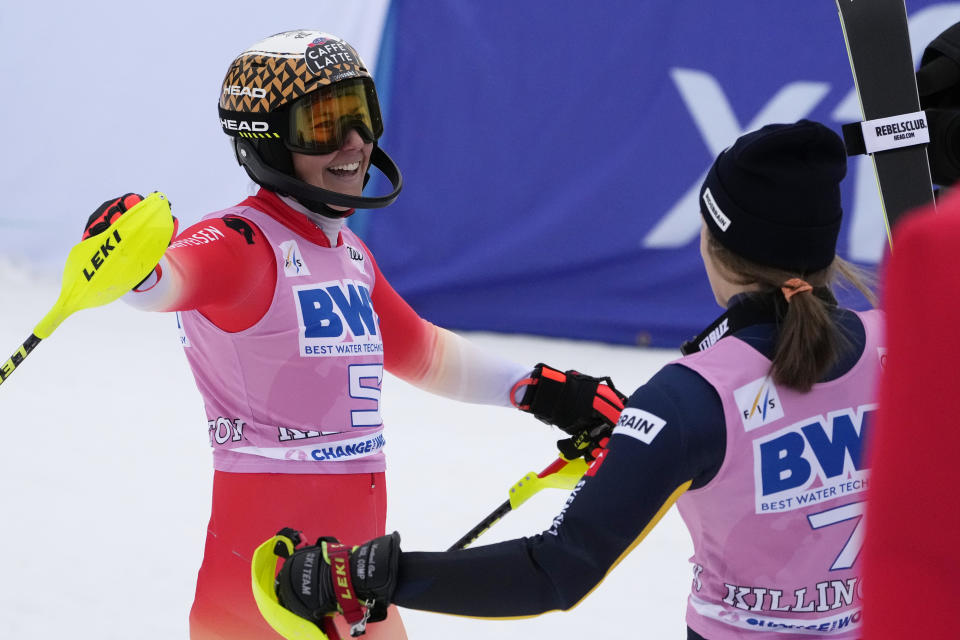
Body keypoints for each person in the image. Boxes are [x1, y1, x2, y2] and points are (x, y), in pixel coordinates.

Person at [80, 30, 625, 640]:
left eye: (361, 117)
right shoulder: (243, 242)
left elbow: (425, 351)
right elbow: (165, 282)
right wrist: (129, 259)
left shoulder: (350, 256)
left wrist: (546, 391)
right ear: (267, 139)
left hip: (353, 579)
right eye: (324, 126)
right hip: (266, 591)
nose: (355, 145)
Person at [264, 120, 883, 640]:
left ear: (712, 241)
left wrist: (369, 575)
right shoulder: (907, 340)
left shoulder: (692, 396)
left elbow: (553, 571)